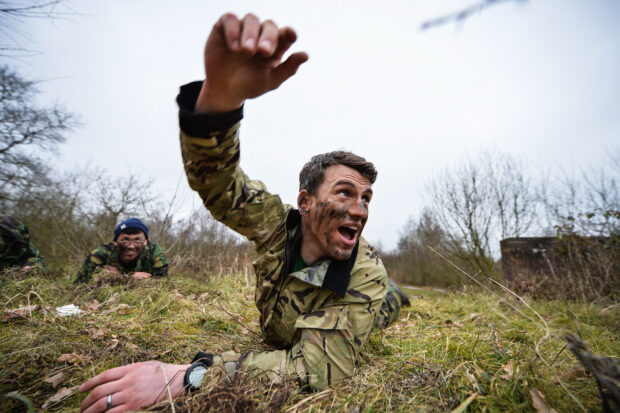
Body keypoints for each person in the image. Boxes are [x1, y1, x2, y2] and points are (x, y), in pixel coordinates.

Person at [78, 13, 410, 412]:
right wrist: (221, 102)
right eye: (345, 193)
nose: (359, 210)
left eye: (367, 199)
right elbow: (220, 185)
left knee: (387, 304)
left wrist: (192, 375)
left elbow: (316, 370)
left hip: (372, 298)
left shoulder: (363, 272)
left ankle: (396, 296)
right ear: (305, 203)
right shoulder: (274, 223)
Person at [75, 218, 169, 283]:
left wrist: (126, 280)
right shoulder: (100, 255)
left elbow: (161, 284)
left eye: (137, 240)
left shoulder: (156, 254)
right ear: (115, 242)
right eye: (125, 240)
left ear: (145, 242)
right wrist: (102, 276)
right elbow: (81, 284)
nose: (131, 246)